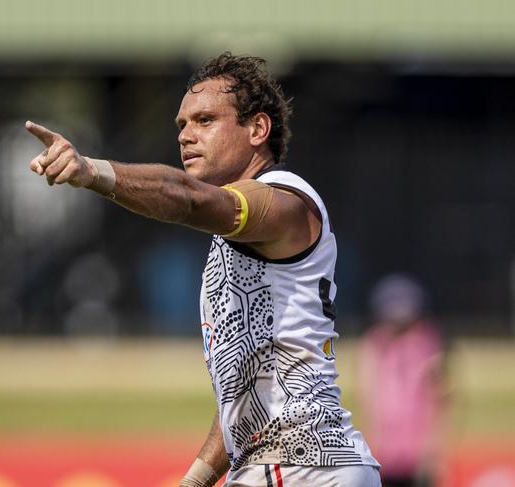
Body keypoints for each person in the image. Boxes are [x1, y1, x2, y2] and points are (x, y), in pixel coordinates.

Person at [25, 52, 381, 487]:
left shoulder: (283, 199)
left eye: (205, 120)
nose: (186, 136)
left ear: (258, 129)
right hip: (297, 466)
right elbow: (249, 380)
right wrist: (195, 479)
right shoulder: (236, 234)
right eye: (181, 125)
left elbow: (187, 198)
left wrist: (91, 172)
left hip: (300, 467)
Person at [358, 274, 447, 487]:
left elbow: (439, 399)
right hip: (384, 450)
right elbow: (368, 399)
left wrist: (435, 449)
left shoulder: (427, 343)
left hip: (417, 451)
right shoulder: (373, 344)